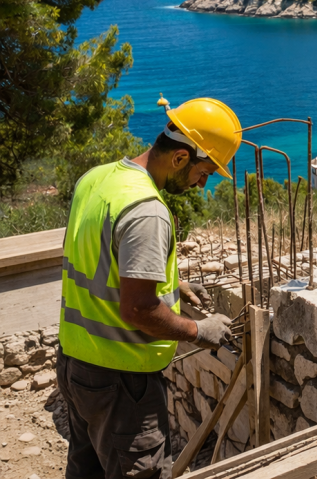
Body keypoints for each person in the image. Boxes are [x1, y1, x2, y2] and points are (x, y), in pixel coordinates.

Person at [57, 98, 242, 479]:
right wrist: (197, 331)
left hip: (77, 365)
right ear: (179, 157)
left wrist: (174, 284)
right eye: (204, 172)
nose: (202, 184)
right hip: (121, 380)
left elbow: (102, 260)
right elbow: (138, 310)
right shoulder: (147, 210)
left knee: (85, 470)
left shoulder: (98, 177)